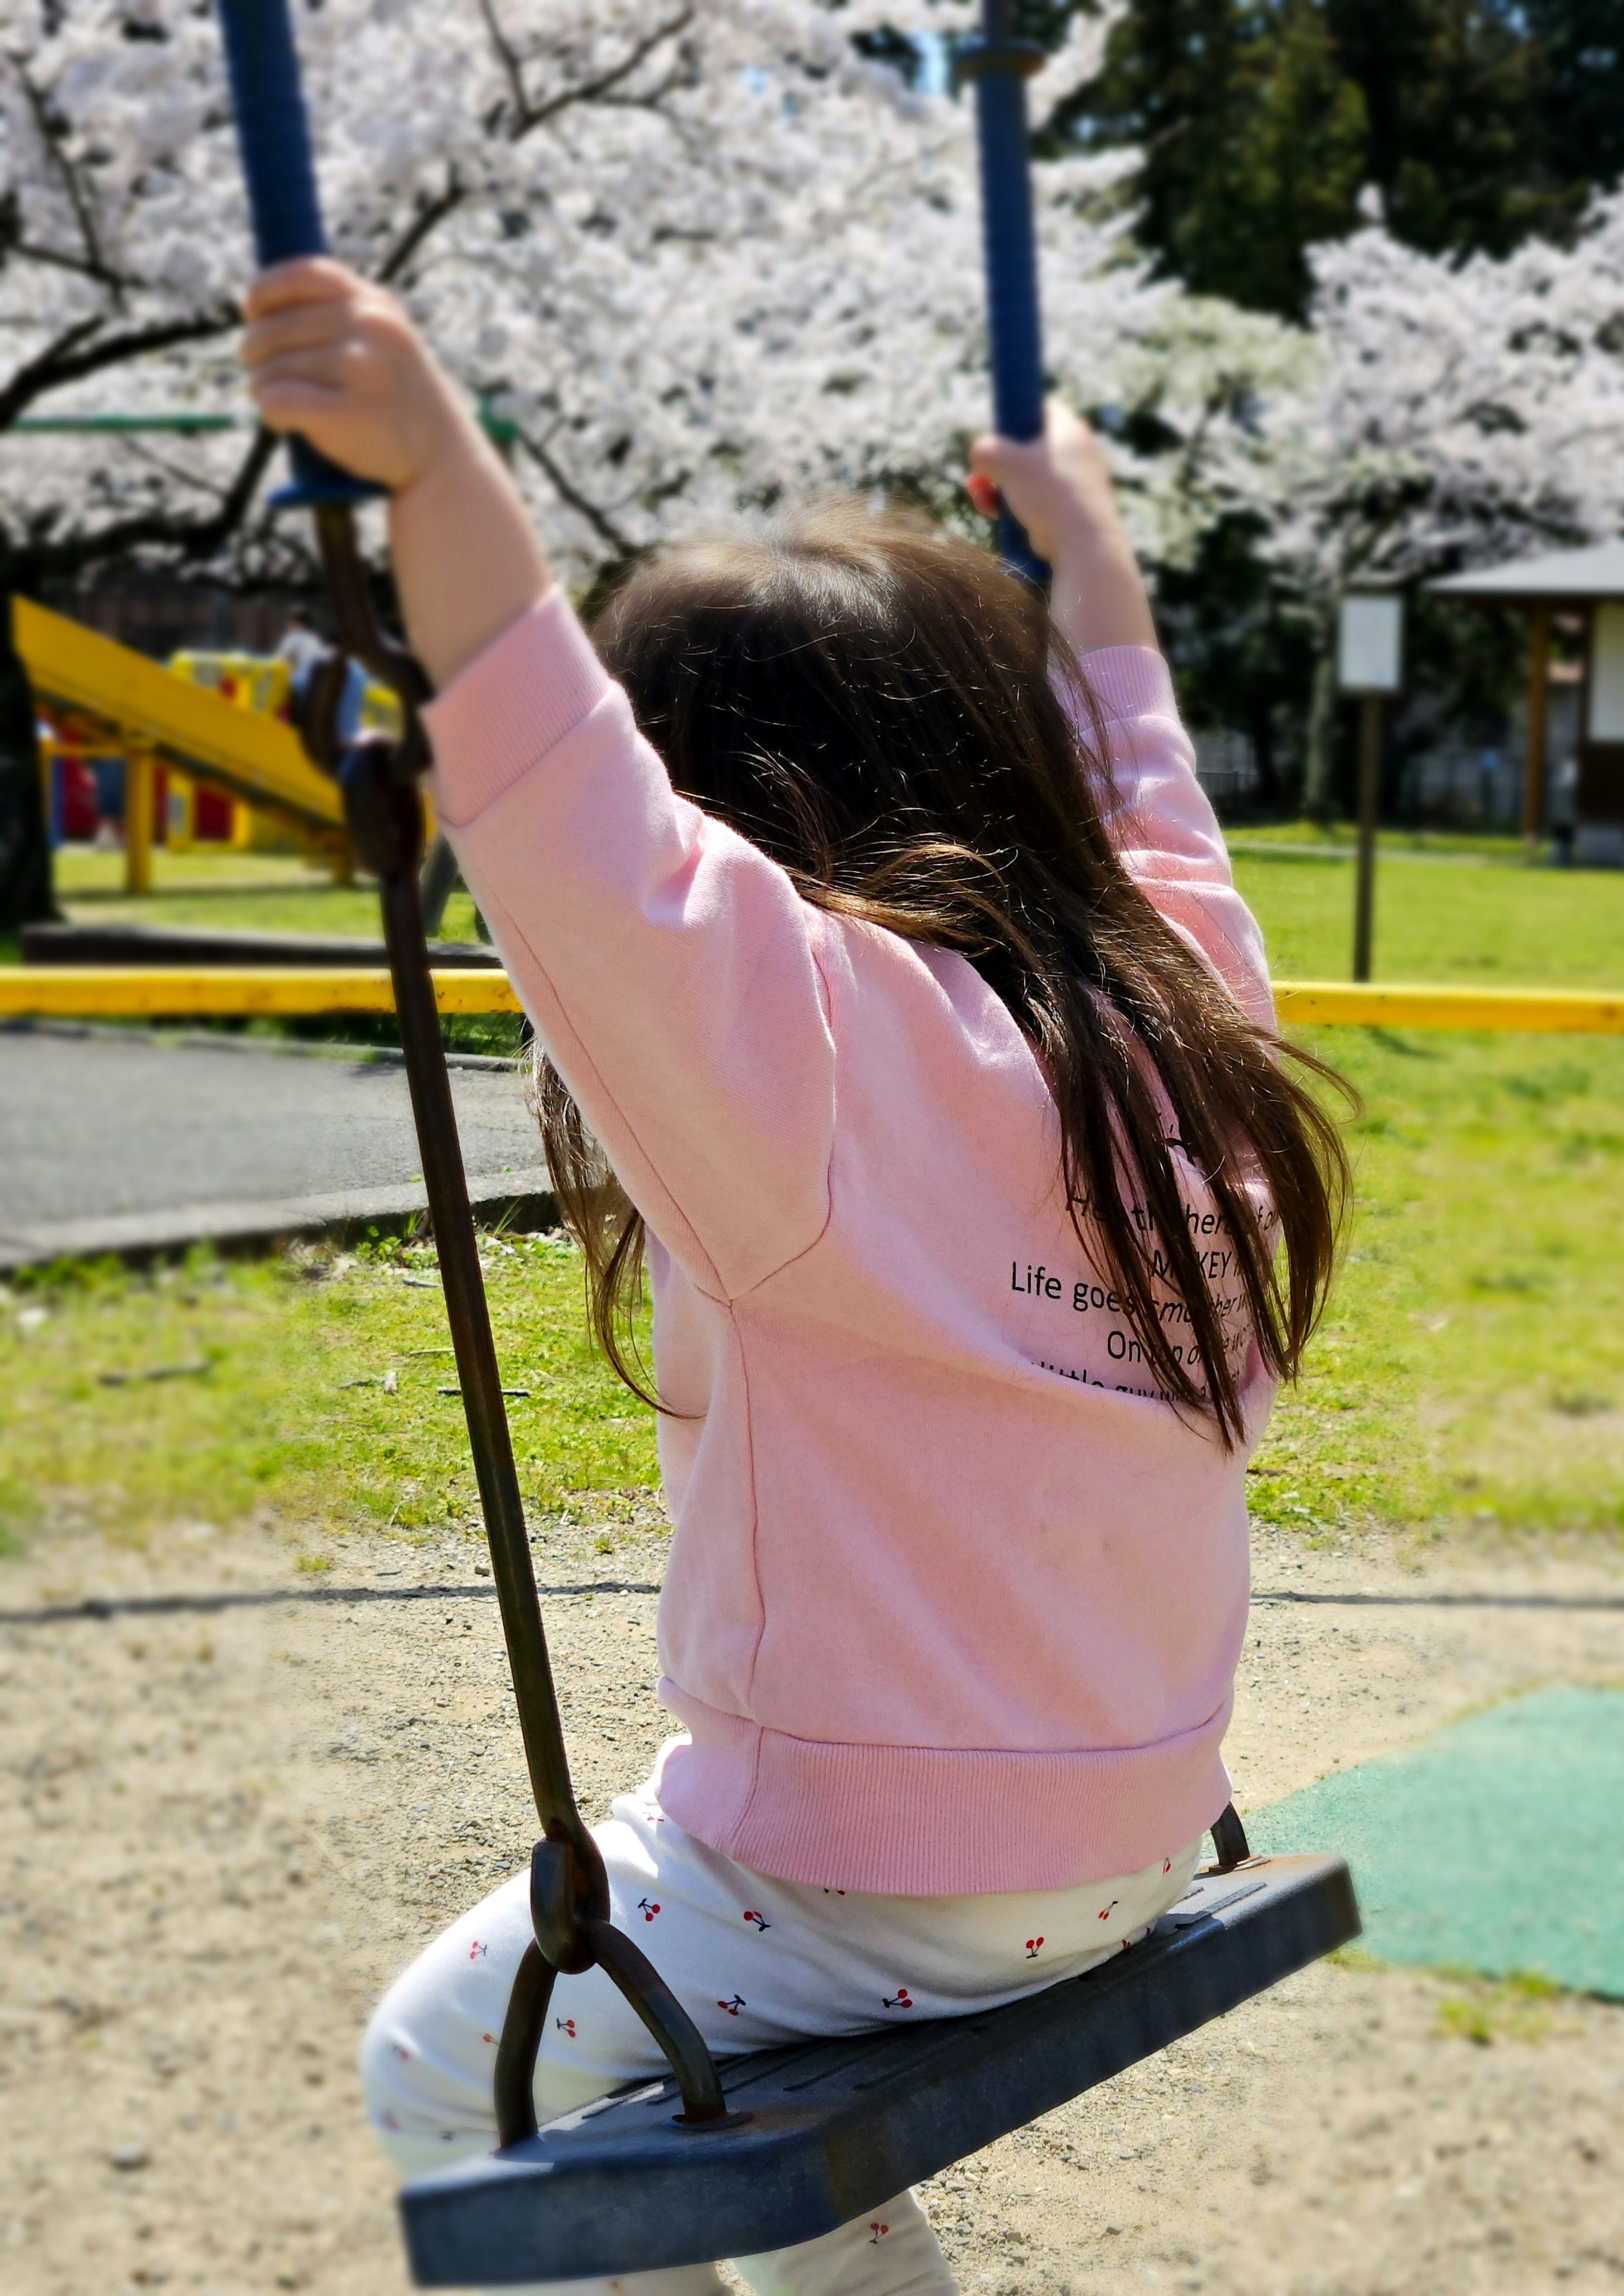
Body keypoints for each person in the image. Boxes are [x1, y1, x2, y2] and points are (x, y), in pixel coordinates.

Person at [241, 261, 1348, 2296]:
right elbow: (1157, 786)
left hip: (848, 1889)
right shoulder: (1188, 1014)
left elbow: (573, 812)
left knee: (445, 2078)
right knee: (765, 2124)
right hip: (1124, 1843)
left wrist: (435, 461)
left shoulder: (811, 1061)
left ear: (728, 808)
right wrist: (1090, 553)